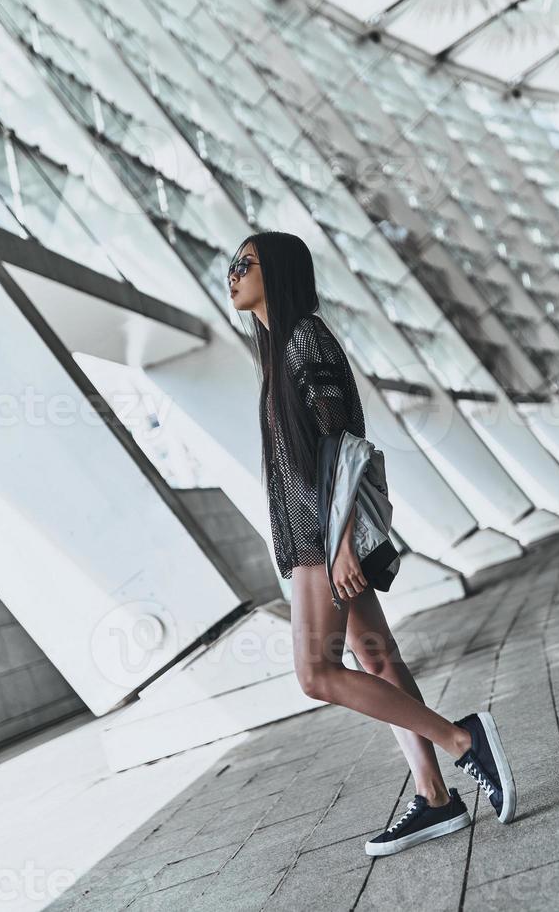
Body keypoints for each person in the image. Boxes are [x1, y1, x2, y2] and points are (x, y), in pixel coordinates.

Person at [227, 230, 517, 857]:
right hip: (315, 536)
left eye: (244, 263)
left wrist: (338, 548)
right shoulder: (282, 350)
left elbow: (338, 446)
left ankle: (464, 741)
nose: (232, 273)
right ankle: (435, 800)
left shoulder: (304, 339)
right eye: (230, 264)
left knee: (315, 674)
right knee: (377, 659)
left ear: (275, 270)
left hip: (321, 540)